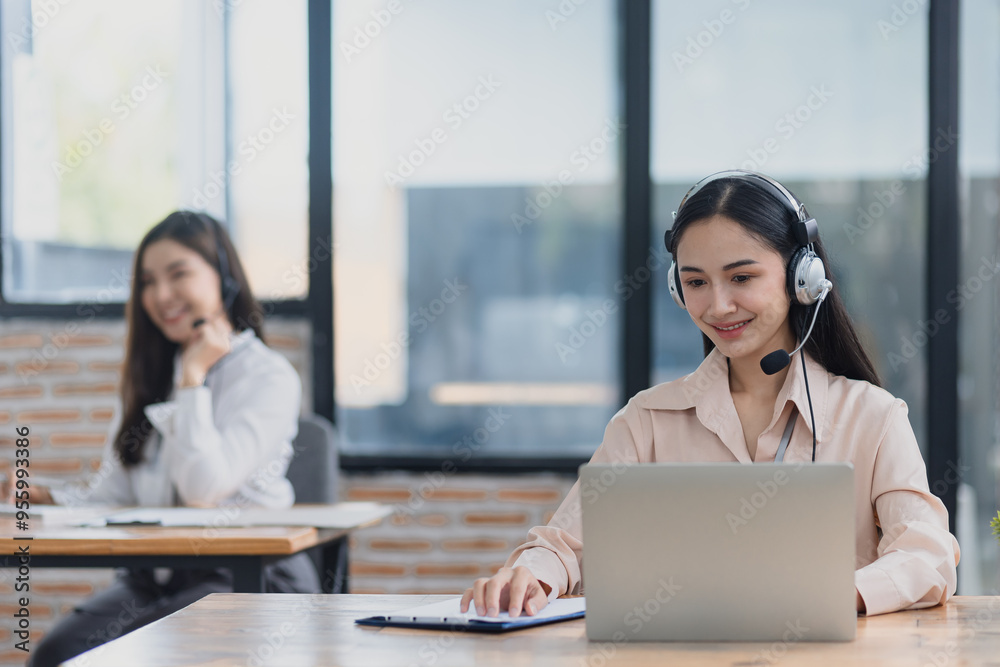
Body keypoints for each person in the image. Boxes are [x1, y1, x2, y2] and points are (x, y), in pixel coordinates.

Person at [461, 170, 960, 620]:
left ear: (801, 278)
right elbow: (565, 544)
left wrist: (840, 594)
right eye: (696, 282)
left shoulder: (872, 417)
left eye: (742, 277)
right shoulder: (646, 422)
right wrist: (531, 575)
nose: (718, 306)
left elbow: (928, 553)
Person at [19, 211, 320, 667]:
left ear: (224, 277)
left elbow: (203, 489)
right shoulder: (152, 377)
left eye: (179, 274)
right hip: (157, 578)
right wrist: (46, 497)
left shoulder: (268, 376)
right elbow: (114, 496)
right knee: (55, 656)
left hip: (249, 577)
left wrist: (193, 381)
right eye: (148, 282)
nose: (161, 295)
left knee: (142, 657)